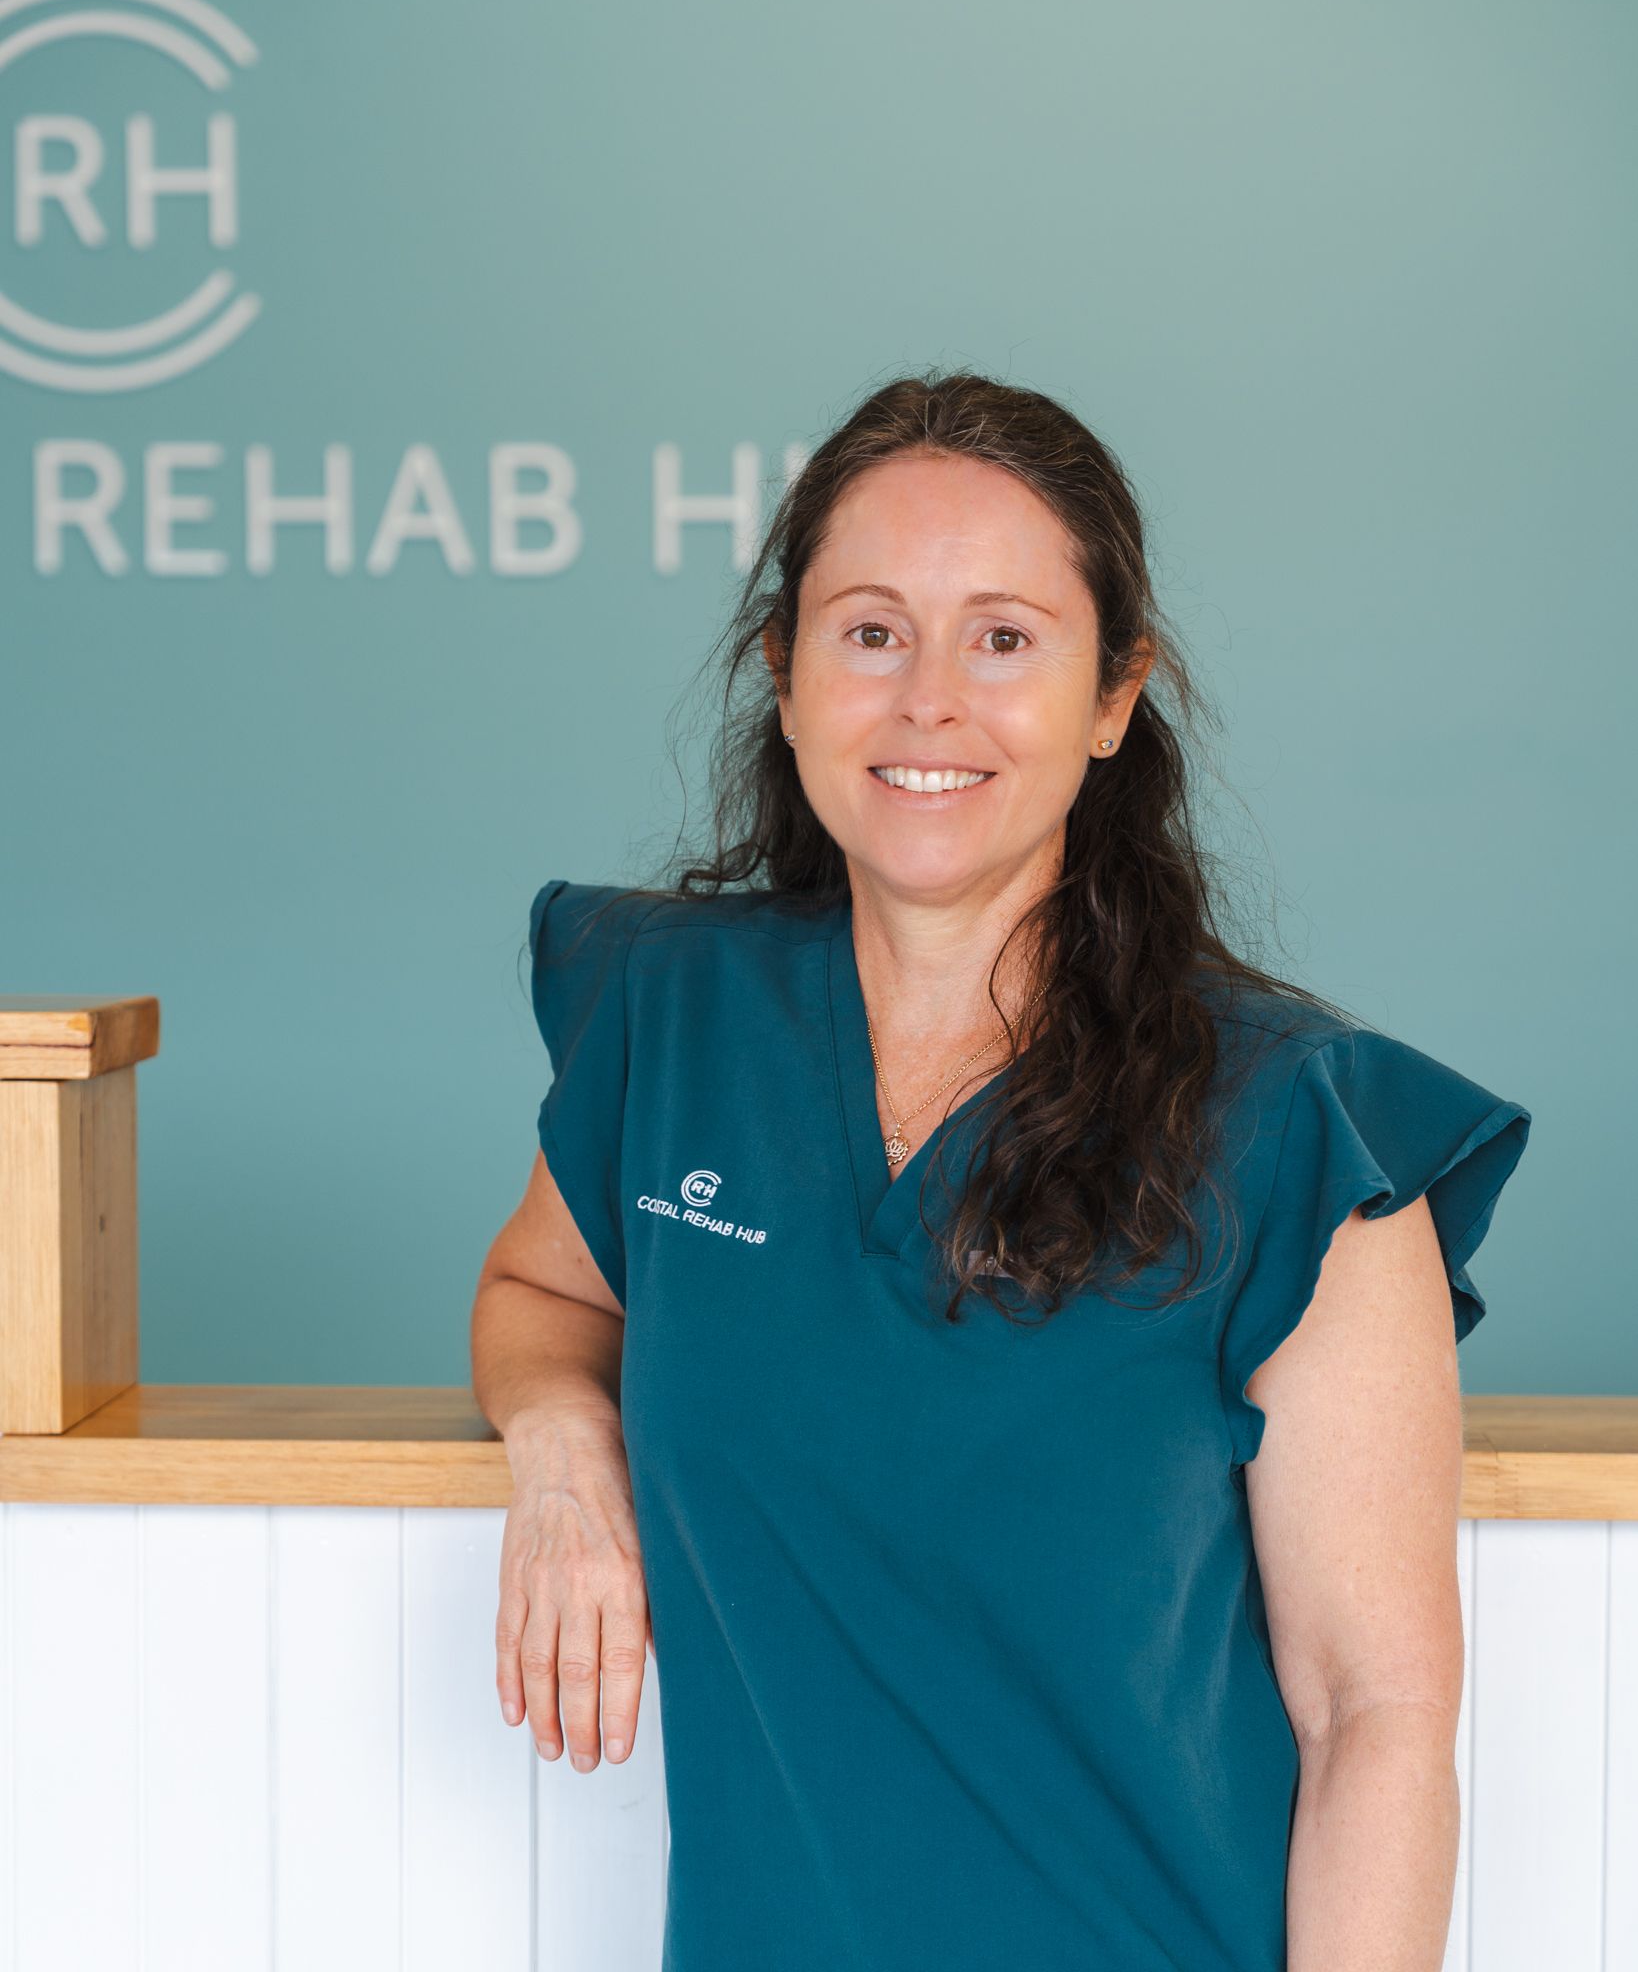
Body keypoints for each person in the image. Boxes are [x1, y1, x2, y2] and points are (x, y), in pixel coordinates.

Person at [470, 369, 1532, 1971]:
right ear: (784, 669)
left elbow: (1372, 1714)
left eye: (1006, 638)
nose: (928, 701)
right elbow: (541, 1286)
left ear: (1113, 699)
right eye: (872, 630)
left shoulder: (1294, 1124)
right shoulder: (672, 1012)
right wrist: (559, 1448)